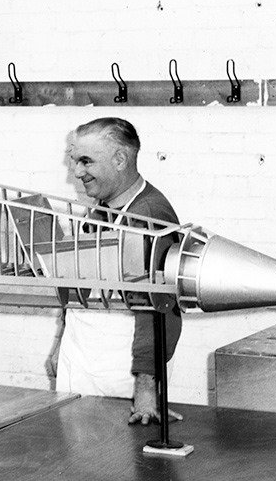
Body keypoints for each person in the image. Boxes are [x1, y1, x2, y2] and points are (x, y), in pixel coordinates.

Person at [65, 117, 182, 425]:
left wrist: (145, 388)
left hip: (119, 371)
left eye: (86, 161)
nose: (77, 172)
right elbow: (83, 279)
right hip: (83, 357)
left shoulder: (147, 215)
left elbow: (159, 307)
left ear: (119, 160)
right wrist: (61, 346)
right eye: (74, 161)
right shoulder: (104, 208)